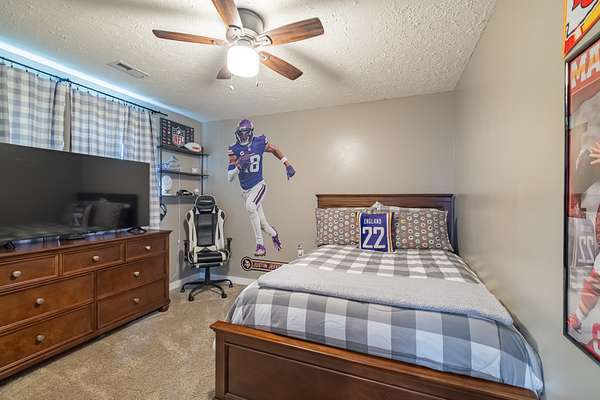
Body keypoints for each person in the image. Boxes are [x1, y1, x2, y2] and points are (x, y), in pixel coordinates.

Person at [227, 119, 296, 256]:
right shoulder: (234, 148)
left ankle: (260, 245)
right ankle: (274, 234)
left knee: (250, 206)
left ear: (251, 133)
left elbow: (274, 149)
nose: (243, 137)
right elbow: (230, 177)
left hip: (259, 185)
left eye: (245, 134)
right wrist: (238, 166)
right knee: (263, 225)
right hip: (245, 191)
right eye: (241, 134)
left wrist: (287, 164)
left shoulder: (259, 142)